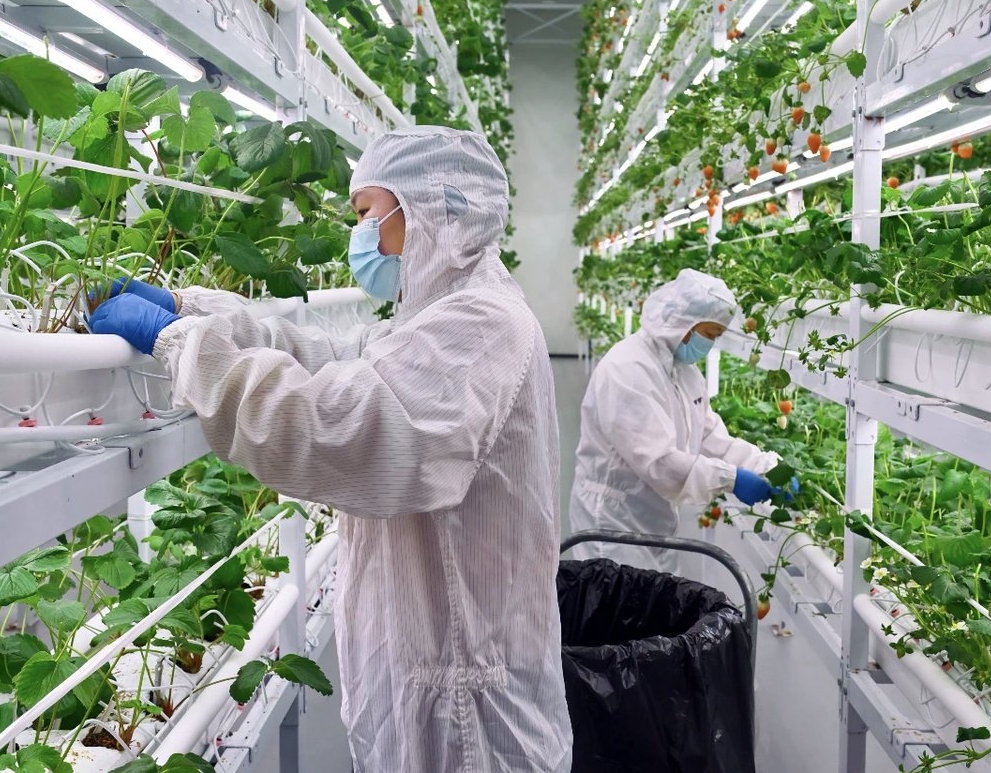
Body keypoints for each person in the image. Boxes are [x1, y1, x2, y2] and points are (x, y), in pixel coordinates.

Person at [90, 126, 572, 773]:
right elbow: (330, 358)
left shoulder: (481, 326)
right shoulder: (436, 315)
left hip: (467, 718)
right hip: (436, 677)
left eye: (368, 213)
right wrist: (192, 310)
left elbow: (333, 429)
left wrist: (183, 344)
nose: (359, 235)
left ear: (435, 210)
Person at [569, 269, 789, 573]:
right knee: (617, 599)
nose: (710, 344)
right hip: (613, 522)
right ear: (683, 323)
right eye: (709, 334)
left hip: (652, 517)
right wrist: (732, 479)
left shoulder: (684, 372)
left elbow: (709, 435)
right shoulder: (628, 369)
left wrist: (766, 466)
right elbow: (660, 463)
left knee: (655, 597)